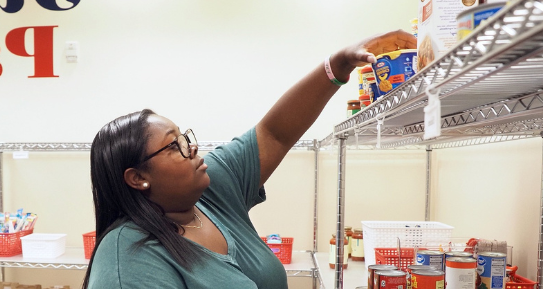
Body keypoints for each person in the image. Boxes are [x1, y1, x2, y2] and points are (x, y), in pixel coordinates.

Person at [84, 30, 417, 289]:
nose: (193, 149)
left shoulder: (209, 190)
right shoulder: (127, 261)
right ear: (137, 178)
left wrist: (339, 65)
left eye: (186, 138)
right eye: (175, 146)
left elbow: (275, 133)